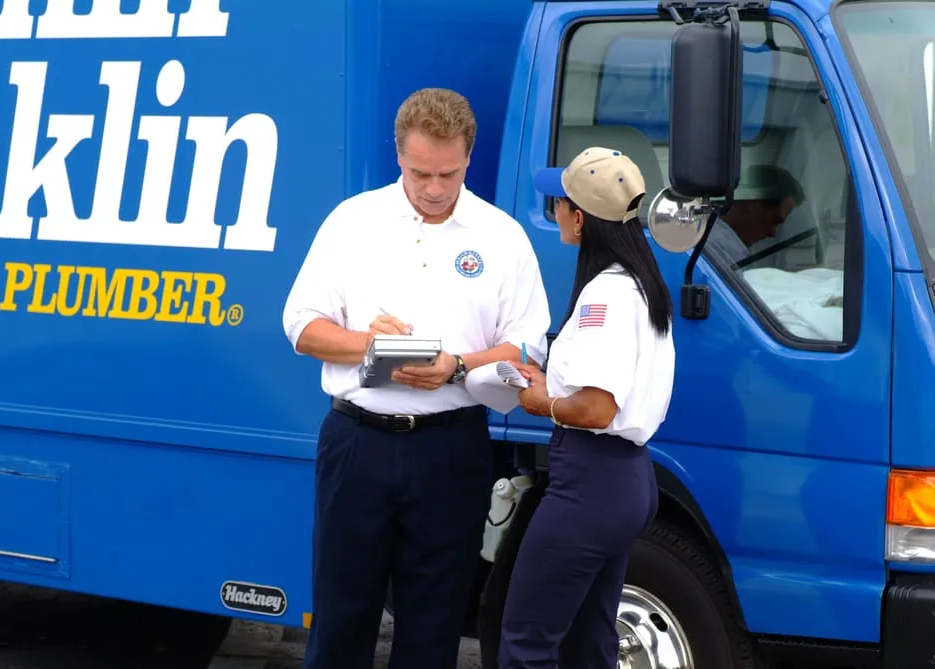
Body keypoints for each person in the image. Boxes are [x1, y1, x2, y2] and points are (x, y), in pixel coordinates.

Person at [281, 87, 550, 669]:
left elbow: (529, 345)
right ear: (398, 155)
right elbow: (301, 327)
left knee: (434, 625)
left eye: (448, 174)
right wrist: (370, 344)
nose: (433, 188)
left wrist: (458, 365)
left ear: (469, 157)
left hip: (451, 448)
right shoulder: (353, 222)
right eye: (420, 172)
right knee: (340, 619)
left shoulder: (502, 236)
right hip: (358, 442)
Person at [497, 146, 675, 669]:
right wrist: (552, 381)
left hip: (591, 482)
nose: (554, 210)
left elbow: (597, 409)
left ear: (579, 218)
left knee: (526, 642)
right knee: (587, 641)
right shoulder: (641, 283)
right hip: (627, 479)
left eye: (559, 201)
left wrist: (543, 401)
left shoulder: (605, 296)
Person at [705, 163, 806, 267]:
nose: (772, 233)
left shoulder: (706, 238)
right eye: (774, 220)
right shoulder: (717, 250)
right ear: (753, 202)